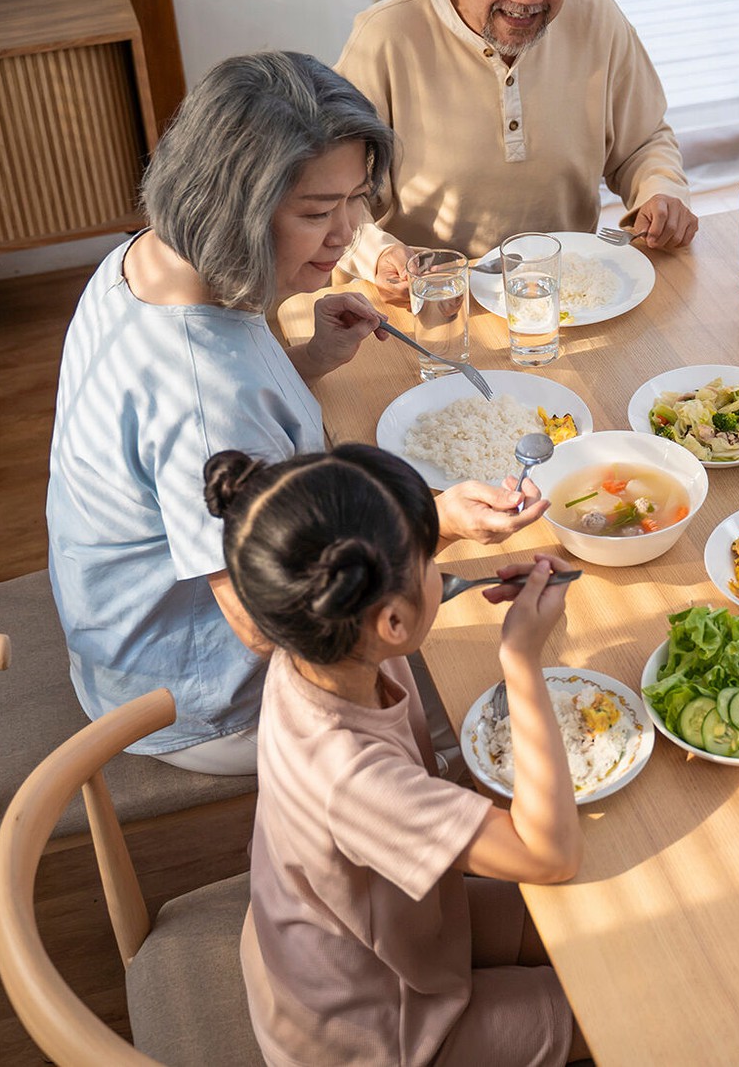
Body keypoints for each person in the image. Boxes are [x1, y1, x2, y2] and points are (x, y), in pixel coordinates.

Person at [45, 52, 544, 775]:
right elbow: (263, 620)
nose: (346, 235)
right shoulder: (205, 396)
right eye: (316, 212)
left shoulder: (150, 257)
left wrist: (303, 360)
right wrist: (434, 523)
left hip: (118, 630)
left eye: (355, 199)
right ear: (233, 207)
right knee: (494, 693)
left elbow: (215, 419)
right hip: (194, 695)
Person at [204, 445, 586, 1067]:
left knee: (591, 921)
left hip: (380, 935)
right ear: (391, 623)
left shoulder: (317, 641)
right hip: (377, 1032)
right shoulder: (350, 777)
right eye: (430, 561)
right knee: (621, 994)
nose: (441, 566)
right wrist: (521, 660)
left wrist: (432, 539)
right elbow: (551, 856)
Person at [336, 0, 697, 301]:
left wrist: (661, 191)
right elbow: (337, 200)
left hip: (573, 292)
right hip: (438, 301)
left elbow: (644, 142)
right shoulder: (384, 37)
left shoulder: (597, 17)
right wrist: (380, 255)